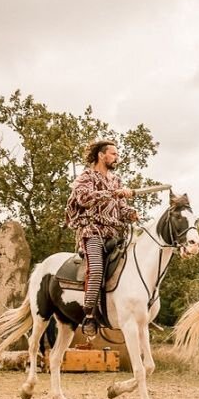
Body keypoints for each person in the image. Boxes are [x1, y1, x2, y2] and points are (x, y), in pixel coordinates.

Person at [66, 140, 139, 337]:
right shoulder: (86, 177)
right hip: (92, 232)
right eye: (113, 154)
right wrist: (113, 193)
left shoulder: (116, 180)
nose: (117, 158)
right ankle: (89, 316)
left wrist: (131, 212)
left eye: (116, 154)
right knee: (97, 269)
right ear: (101, 155)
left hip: (114, 233)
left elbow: (121, 207)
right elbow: (83, 199)